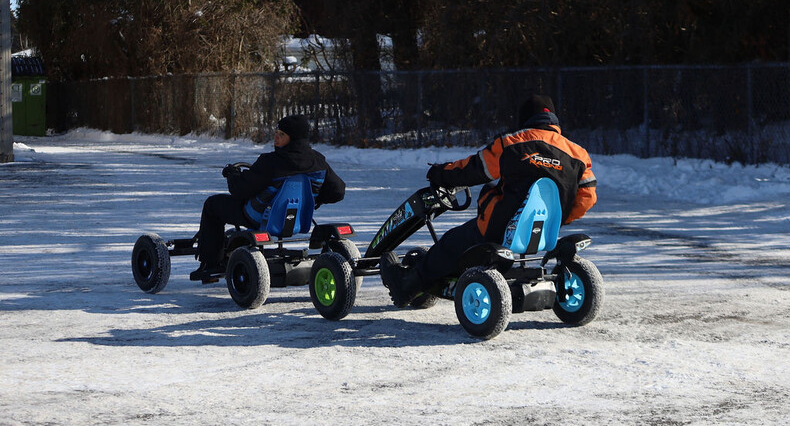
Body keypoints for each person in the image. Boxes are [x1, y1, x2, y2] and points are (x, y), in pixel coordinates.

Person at [380, 94, 597, 307]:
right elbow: (587, 198)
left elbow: (473, 169)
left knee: (451, 244)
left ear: (525, 118)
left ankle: (406, 285)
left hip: (498, 227)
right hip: (544, 233)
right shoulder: (578, 154)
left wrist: (441, 173)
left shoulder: (513, 142)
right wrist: (557, 218)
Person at [190, 114, 346, 280]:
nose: (276, 138)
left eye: (282, 134)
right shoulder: (318, 161)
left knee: (212, 205)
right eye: (276, 132)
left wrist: (232, 175)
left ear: (294, 138)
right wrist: (312, 200)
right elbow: (338, 190)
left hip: (260, 217)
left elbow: (240, 190)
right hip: (299, 220)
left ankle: (210, 264)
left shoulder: (271, 162)